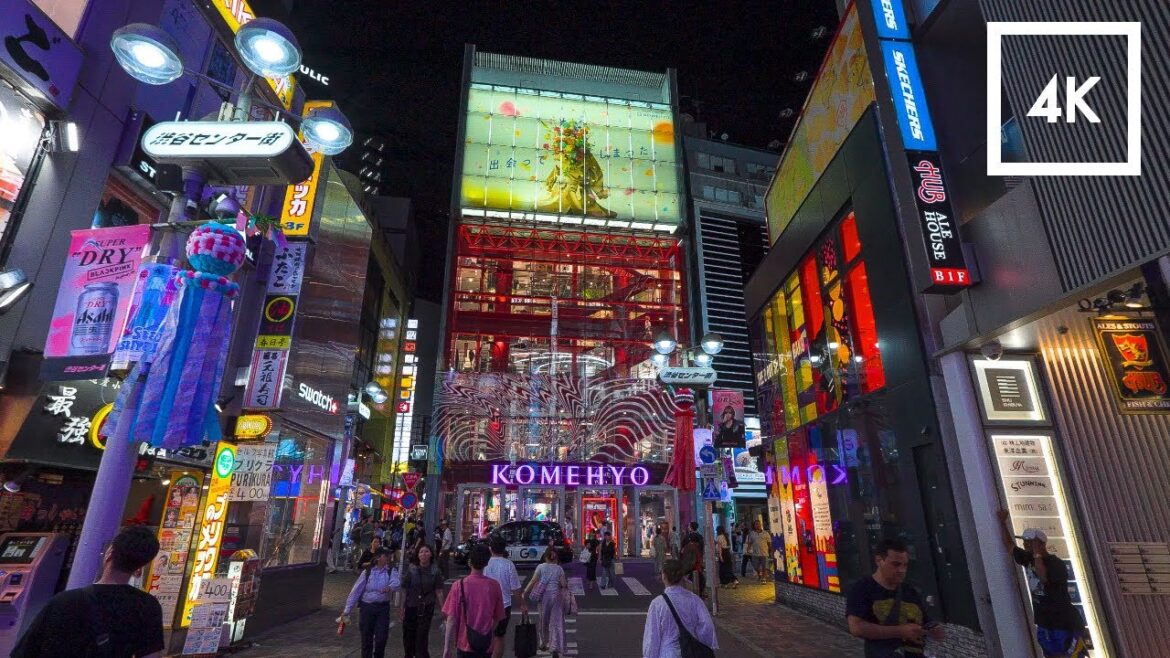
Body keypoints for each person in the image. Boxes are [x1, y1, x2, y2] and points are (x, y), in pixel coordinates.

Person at [13, 526, 164, 658]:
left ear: (109, 553)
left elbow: (25, 651)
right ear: (141, 566)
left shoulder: (64, 601)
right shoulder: (147, 606)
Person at [997, 509, 1088, 657]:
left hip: (1064, 623)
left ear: (1040, 543)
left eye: (1029, 542)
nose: (1026, 544)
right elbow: (1010, 546)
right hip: (1045, 622)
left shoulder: (1056, 563)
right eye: (1025, 541)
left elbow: (1044, 578)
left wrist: (1037, 553)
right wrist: (1002, 522)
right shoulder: (1029, 559)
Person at [846, 538, 944, 658]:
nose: (901, 570)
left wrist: (934, 629)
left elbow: (925, 621)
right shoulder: (862, 588)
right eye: (895, 564)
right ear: (879, 560)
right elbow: (857, 628)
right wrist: (900, 631)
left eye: (905, 565)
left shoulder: (909, 591)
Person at [642, 558, 718, 658]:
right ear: (682, 577)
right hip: (691, 652)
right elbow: (707, 626)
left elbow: (652, 637)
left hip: (667, 652)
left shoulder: (657, 604)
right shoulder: (695, 600)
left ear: (664, 576)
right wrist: (700, 641)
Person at [442, 544, 505, 658]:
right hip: (486, 643)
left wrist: (447, 648)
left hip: (464, 642)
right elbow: (498, 617)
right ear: (486, 563)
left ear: (470, 562)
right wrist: (488, 631)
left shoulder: (458, 586)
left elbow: (451, 619)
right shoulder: (494, 586)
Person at [343, 547, 402, 658]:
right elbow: (356, 591)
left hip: (382, 609)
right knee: (366, 638)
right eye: (385, 556)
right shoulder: (367, 572)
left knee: (381, 637)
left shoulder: (390, 570)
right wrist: (347, 610)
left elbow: (397, 582)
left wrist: (389, 587)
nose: (388, 558)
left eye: (389, 556)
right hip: (367, 608)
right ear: (378, 557)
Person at [400, 544, 445, 658]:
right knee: (409, 637)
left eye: (426, 552)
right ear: (418, 555)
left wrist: (443, 609)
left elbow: (439, 591)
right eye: (421, 552)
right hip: (411, 607)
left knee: (421, 637)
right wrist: (402, 608)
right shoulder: (412, 570)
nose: (423, 554)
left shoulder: (435, 571)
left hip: (426, 608)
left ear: (431, 554)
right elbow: (404, 589)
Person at [484, 537, 526, 658]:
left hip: (486, 604)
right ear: (504, 549)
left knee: (485, 633)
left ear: (490, 548)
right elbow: (516, 588)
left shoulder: (485, 563)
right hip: (504, 605)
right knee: (499, 636)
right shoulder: (508, 564)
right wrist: (522, 604)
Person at [523, 549, 568, 658]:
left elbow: (533, 580)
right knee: (556, 622)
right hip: (556, 597)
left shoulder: (541, 567)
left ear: (545, 557)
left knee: (544, 620)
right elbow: (563, 584)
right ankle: (555, 647)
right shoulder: (559, 569)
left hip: (544, 597)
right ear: (556, 558)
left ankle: (544, 643)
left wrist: (524, 592)